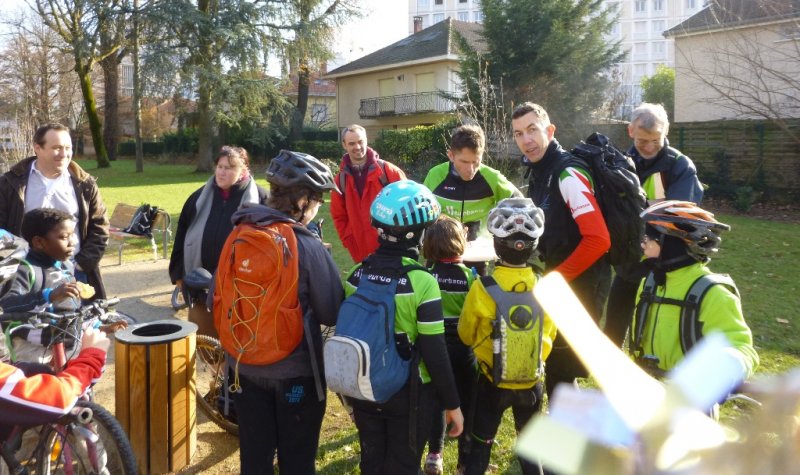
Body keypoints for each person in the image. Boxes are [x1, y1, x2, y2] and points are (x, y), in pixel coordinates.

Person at [219, 150, 343, 474]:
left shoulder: (239, 232)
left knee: (255, 460)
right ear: (302, 200)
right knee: (297, 461)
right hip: (296, 373)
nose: (318, 209)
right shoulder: (307, 244)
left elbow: (217, 298)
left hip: (244, 368)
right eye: (318, 200)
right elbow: (331, 311)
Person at [344, 180, 463, 475]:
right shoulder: (423, 282)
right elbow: (435, 352)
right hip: (409, 393)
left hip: (364, 388)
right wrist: (453, 404)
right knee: (403, 465)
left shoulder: (355, 275)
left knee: (371, 462)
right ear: (419, 234)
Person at [511, 102, 611, 398]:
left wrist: (554, 281)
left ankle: (570, 437)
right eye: (518, 134)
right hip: (564, 282)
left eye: (532, 130)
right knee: (556, 370)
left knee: (563, 374)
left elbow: (598, 239)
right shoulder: (540, 171)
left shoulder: (567, 173)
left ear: (549, 130)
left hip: (582, 286)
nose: (526, 140)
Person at [458, 197, 557, 475]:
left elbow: (466, 334)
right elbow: (549, 335)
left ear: (497, 244)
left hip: (491, 381)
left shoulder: (483, 287)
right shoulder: (544, 287)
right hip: (532, 382)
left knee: (481, 445)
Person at [605, 103, 705, 347]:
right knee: (613, 326)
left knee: (652, 329)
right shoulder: (620, 164)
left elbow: (681, 218)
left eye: (655, 140)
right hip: (629, 259)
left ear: (666, 132)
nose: (649, 147)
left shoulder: (680, 166)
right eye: (642, 141)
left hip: (664, 263)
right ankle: (608, 375)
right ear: (631, 132)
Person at [629, 200, 758, 381]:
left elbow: (741, 347)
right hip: (646, 385)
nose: (643, 245)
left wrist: (729, 366)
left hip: (690, 395)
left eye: (649, 239)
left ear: (672, 246)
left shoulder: (714, 293)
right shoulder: (649, 284)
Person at [0, 228, 109, 437]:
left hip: (64, 342)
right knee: (31, 429)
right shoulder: (29, 270)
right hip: (40, 345)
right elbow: (56, 399)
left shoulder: (65, 267)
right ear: (39, 241)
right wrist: (91, 358)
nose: (71, 242)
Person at [0, 123, 109, 299]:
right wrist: (10, 264)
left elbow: (100, 226)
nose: (64, 154)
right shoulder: (10, 183)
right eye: (57, 148)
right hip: (26, 274)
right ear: (38, 148)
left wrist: (82, 264)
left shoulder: (85, 184)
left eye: (68, 148)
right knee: (30, 323)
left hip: (74, 271)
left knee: (80, 324)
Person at [423, 124, 521, 275]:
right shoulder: (435, 175)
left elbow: (521, 205)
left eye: (476, 162)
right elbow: (422, 212)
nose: (470, 170)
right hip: (439, 253)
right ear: (451, 155)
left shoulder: (492, 177)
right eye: (464, 162)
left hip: (477, 256)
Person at [421, 214, 476, 475]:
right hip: (465, 348)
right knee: (466, 400)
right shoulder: (470, 276)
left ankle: (435, 454)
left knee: (438, 401)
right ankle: (465, 461)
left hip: (434, 348)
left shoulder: (426, 274)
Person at [169, 145, 269, 288]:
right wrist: (178, 273)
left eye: (228, 168)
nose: (221, 173)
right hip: (199, 283)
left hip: (241, 287)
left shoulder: (262, 200)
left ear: (243, 171)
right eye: (219, 166)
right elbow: (182, 235)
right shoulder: (198, 198)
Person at [330, 124, 406, 263]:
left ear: (366, 140)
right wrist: (349, 240)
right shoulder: (340, 180)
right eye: (352, 143)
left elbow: (408, 205)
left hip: (393, 248)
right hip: (360, 252)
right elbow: (338, 215)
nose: (357, 147)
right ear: (344, 145)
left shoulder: (388, 171)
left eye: (360, 142)